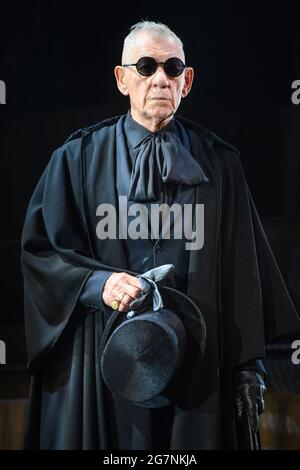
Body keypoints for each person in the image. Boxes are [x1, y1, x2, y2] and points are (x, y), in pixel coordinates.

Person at [21, 20, 300, 450]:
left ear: (186, 82)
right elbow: (41, 252)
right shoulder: (75, 160)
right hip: (105, 361)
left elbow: (244, 275)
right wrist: (98, 284)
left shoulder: (222, 165)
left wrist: (250, 367)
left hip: (201, 369)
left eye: (172, 69)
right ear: (122, 78)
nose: (160, 79)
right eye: (147, 66)